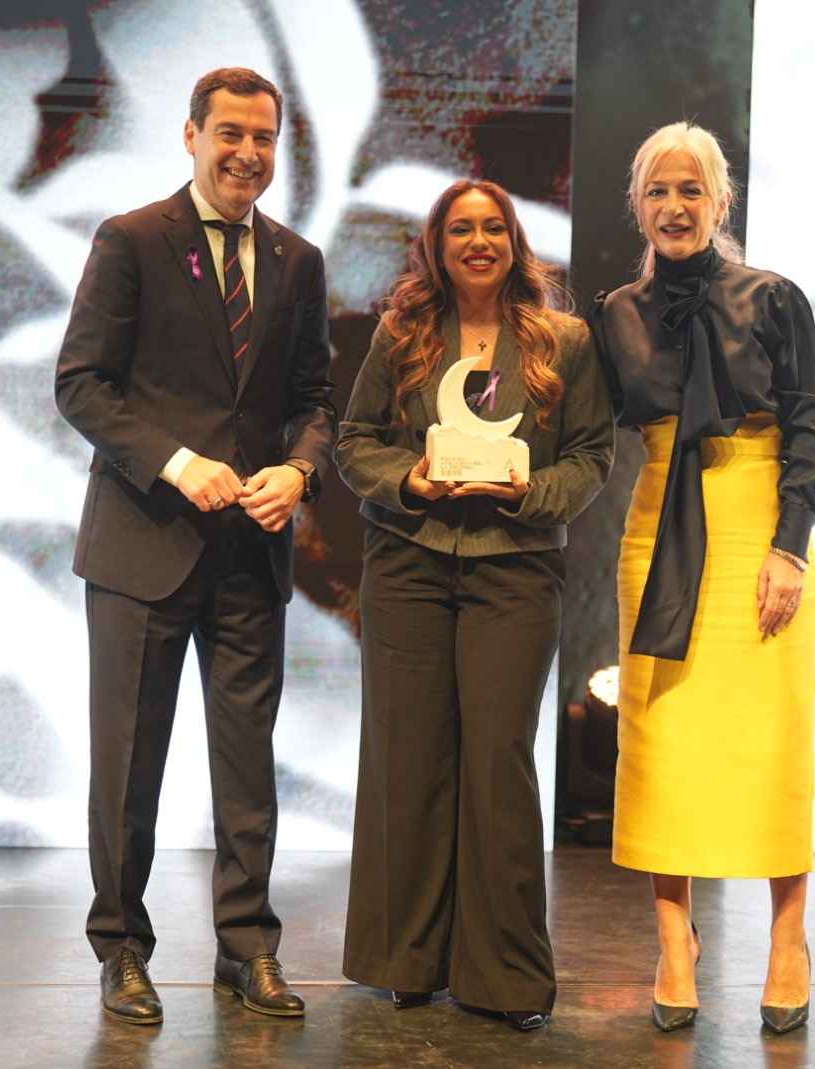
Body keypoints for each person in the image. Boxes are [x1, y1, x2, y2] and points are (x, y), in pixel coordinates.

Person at [53, 67, 336, 1025]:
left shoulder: (297, 260)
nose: (247, 153)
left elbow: (314, 402)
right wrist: (175, 462)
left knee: (247, 765)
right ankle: (122, 949)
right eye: (230, 134)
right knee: (127, 763)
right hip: (144, 545)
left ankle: (247, 948)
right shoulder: (131, 240)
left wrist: (300, 471)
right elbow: (83, 385)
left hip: (252, 555)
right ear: (190, 135)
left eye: (263, 138)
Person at [336, 179, 613, 1031]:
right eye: (463, 228)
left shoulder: (563, 340)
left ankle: (504, 979)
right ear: (438, 243)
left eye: (494, 226)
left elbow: (594, 454)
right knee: (408, 760)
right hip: (410, 566)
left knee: (498, 764)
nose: (479, 241)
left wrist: (533, 491)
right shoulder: (402, 334)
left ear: (515, 239)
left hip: (515, 571)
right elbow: (354, 445)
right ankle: (405, 962)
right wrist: (409, 479)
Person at [588, 121, 815, 1034]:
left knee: (770, 743)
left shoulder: (774, 298)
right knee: (665, 744)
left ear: (721, 203)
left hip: (758, 529)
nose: (676, 206)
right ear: (639, 206)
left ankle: (789, 940)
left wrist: (790, 545)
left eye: (693, 190)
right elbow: (573, 423)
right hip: (658, 533)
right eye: (660, 190)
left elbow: (809, 423)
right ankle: (673, 940)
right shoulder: (614, 312)